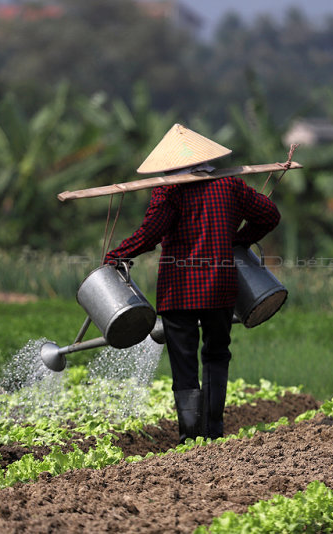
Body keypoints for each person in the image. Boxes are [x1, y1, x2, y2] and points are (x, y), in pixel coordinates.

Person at [103, 124, 280, 444]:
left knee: (183, 363)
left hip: (178, 290)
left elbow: (150, 234)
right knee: (216, 354)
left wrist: (117, 255)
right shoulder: (230, 185)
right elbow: (269, 215)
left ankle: (189, 435)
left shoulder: (169, 190)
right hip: (220, 286)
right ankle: (213, 431)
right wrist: (237, 242)